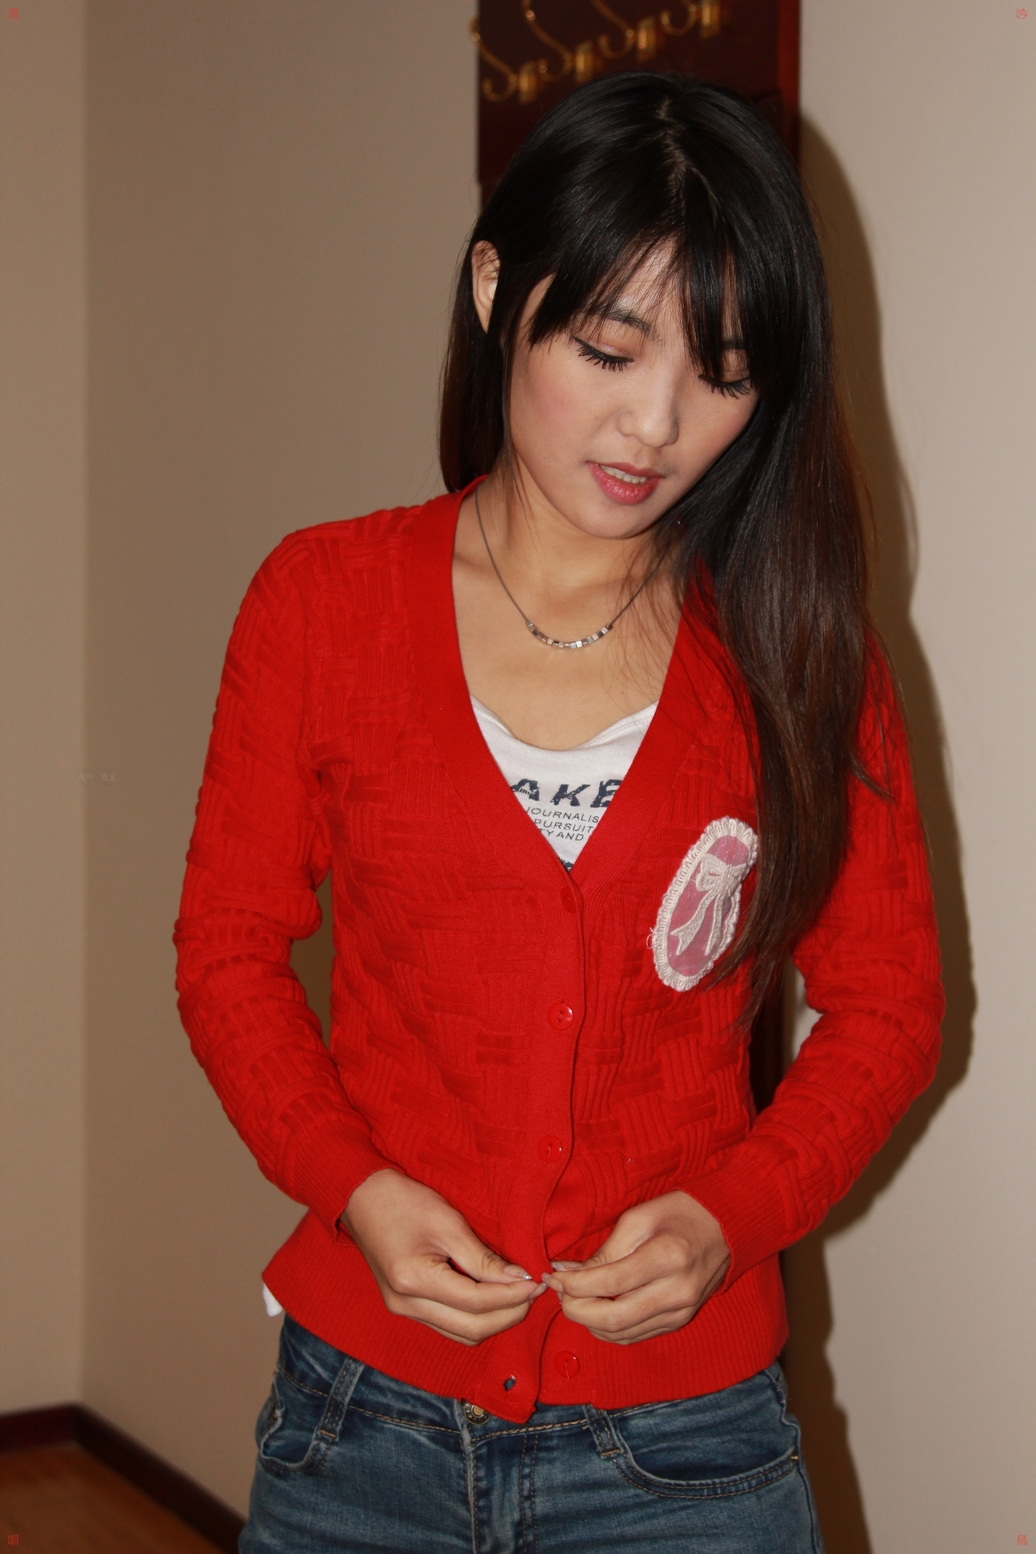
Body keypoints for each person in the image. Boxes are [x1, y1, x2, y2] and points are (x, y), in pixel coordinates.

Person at [174, 71, 943, 1554]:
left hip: (687, 1448)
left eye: (724, 373)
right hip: (362, 1425)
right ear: (493, 290)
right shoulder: (321, 604)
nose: (656, 423)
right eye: (607, 345)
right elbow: (226, 953)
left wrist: (731, 1214)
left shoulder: (799, 653)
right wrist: (353, 1188)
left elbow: (890, 1003)